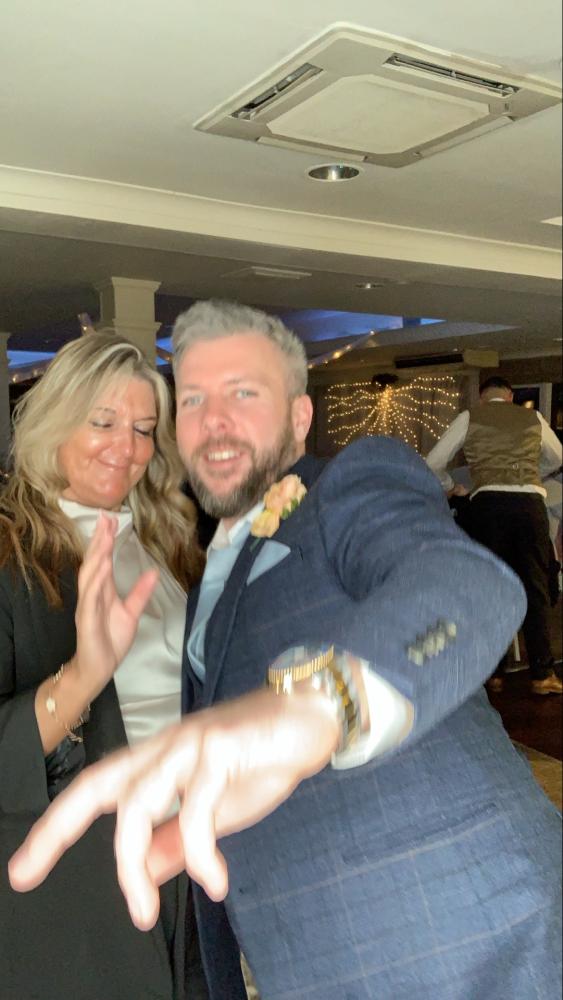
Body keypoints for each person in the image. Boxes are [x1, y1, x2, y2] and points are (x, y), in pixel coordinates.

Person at [10, 303, 563, 1000]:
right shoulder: (190, 558)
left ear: (301, 418)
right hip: (260, 945)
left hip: (456, 935)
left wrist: (323, 703)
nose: (214, 421)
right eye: (194, 402)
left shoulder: (348, 484)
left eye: (244, 394)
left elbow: (461, 580)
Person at [0, 332, 219, 1000]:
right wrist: (82, 679)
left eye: (144, 430)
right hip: (74, 887)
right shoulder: (9, 549)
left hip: (188, 854)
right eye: (103, 422)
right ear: (55, 422)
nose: (126, 448)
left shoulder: (167, 540)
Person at [426, 375, 563, 695]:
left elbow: (433, 463)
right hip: (529, 504)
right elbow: (558, 457)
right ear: (511, 396)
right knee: (535, 588)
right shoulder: (533, 418)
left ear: (482, 397)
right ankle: (542, 674)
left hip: (488, 508)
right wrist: (532, 473)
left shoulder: (470, 416)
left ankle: (493, 673)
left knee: (490, 589)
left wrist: (452, 487)